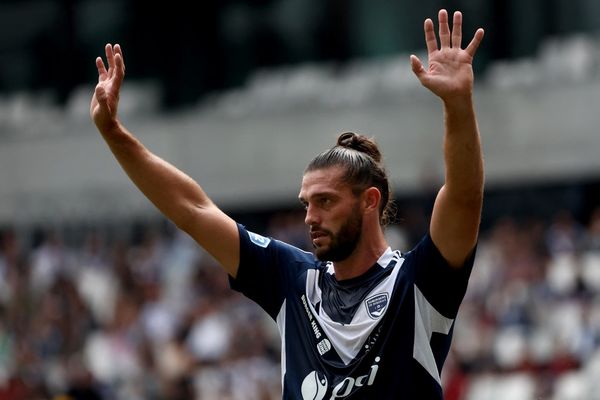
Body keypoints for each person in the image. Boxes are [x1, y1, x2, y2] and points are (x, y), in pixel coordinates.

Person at [91, 9, 484, 400]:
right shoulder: (293, 281)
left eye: (325, 201)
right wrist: (114, 134)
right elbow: (193, 210)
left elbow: (464, 197)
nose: (310, 217)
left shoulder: (418, 282)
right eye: (306, 203)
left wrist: (458, 104)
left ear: (370, 201)